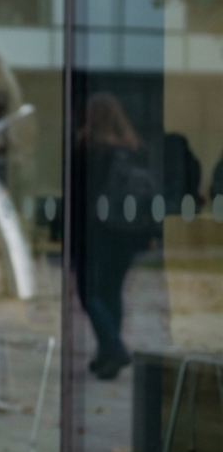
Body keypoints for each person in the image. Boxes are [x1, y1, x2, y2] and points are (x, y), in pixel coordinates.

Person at [74, 93, 157, 380]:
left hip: (97, 232)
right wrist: (149, 233)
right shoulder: (136, 149)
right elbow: (149, 195)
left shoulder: (89, 148)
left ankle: (113, 347)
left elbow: (79, 197)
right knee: (111, 292)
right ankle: (107, 357)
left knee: (88, 292)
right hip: (129, 233)